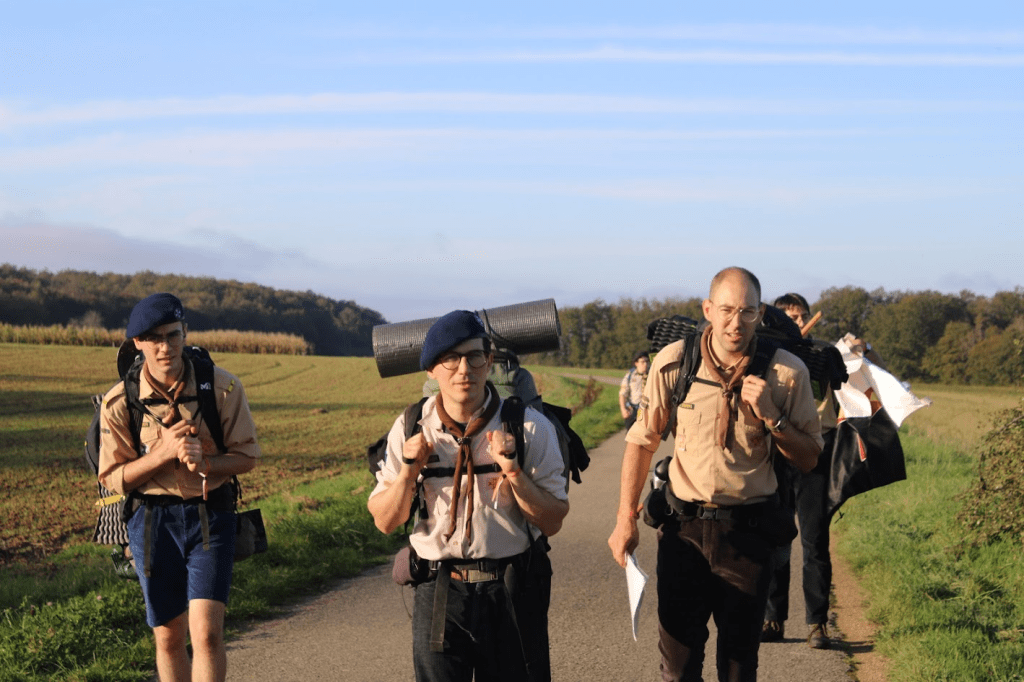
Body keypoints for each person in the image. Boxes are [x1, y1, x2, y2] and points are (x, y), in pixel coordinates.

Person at [607, 268, 823, 682]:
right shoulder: (674, 363)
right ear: (708, 309)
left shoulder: (787, 373)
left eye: (746, 312)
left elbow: (810, 457)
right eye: (725, 310)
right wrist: (623, 520)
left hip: (749, 535)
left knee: (739, 668)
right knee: (678, 668)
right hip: (683, 531)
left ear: (760, 314)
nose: (734, 323)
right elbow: (641, 441)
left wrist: (773, 417)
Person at [368, 310, 570, 682]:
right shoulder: (410, 426)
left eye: (474, 356)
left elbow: (553, 520)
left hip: (511, 588)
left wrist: (513, 472)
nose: (464, 369)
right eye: (451, 358)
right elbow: (384, 521)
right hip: (439, 590)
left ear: (489, 361)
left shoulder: (528, 426)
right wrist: (409, 472)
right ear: (432, 369)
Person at [98, 293, 260, 682]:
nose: (165, 346)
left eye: (173, 335)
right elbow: (111, 478)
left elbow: (248, 457)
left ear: (185, 333)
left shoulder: (222, 388)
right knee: (169, 638)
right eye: (154, 338)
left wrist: (205, 462)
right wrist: (162, 454)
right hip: (152, 522)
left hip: (210, 513)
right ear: (137, 343)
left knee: (207, 634)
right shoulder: (120, 401)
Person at [761, 293, 885, 650]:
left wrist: (866, 347)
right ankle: (773, 619)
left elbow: (877, 372)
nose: (799, 324)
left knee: (815, 540)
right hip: (777, 449)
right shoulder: (766, 355)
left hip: (818, 451)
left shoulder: (825, 354)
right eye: (790, 318)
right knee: (778, 538)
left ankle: (817, 623)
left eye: (802, 317)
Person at [619, 351, 650, 431]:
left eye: (647, 361)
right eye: (642, 362)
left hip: (648, 412)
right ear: (636, 363)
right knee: (631, 438)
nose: (645, 364)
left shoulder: (652, 375)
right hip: (633, 411)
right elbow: (623, 394)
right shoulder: (630, 375)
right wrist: (623, 409)